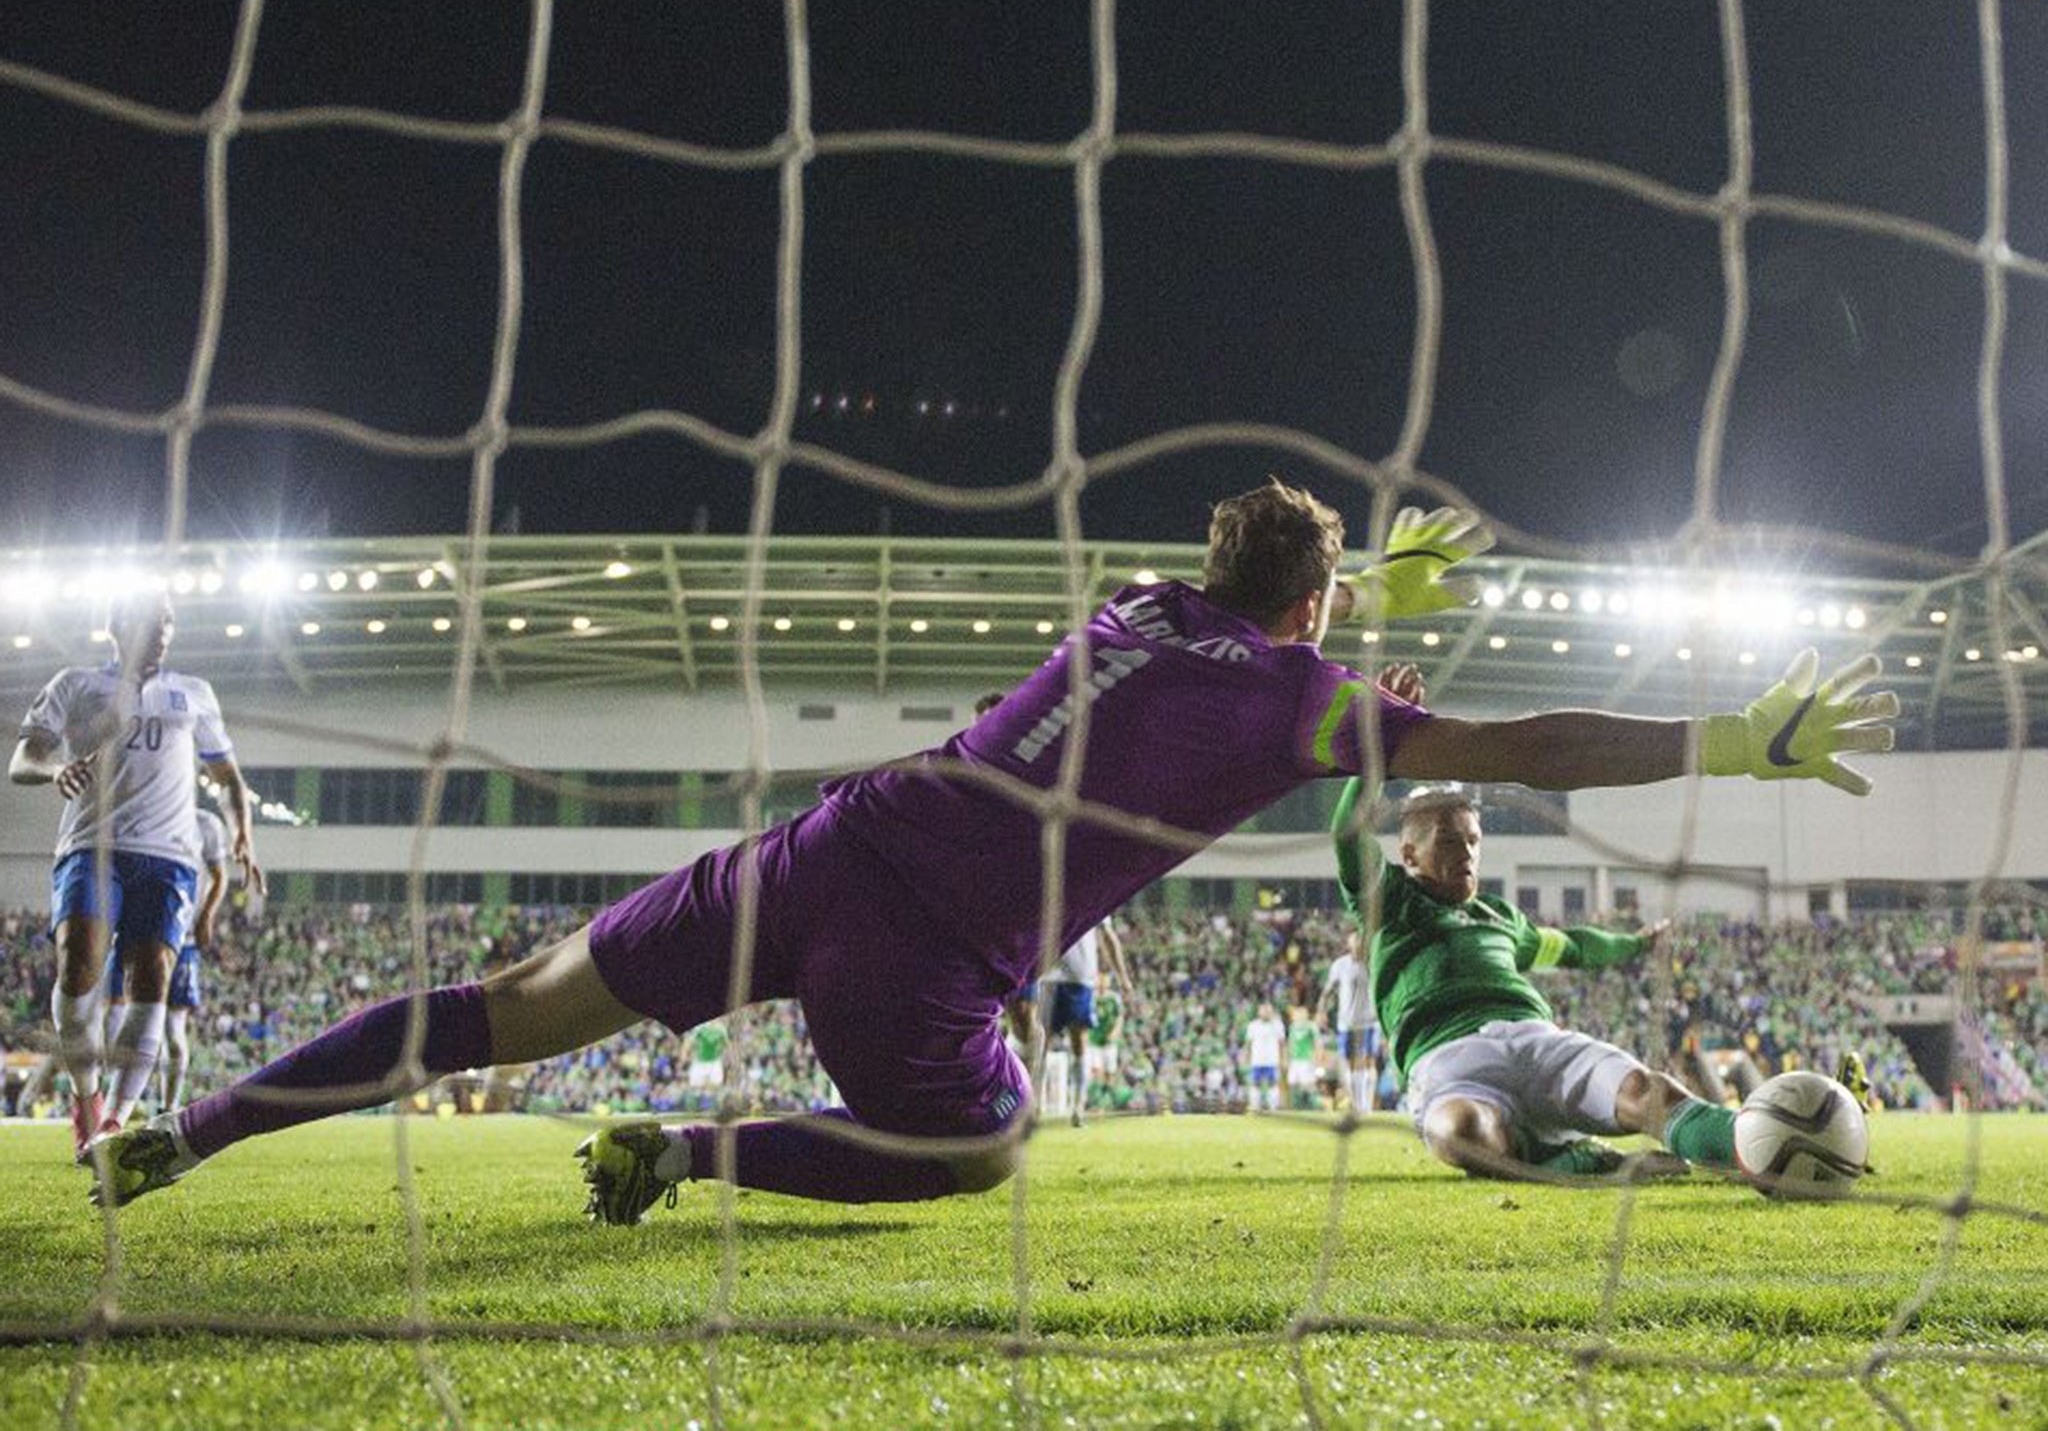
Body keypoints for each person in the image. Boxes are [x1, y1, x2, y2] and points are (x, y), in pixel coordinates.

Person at [89, 485, 1894, 1218]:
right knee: (982, 1145)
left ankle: (199, 1127)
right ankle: (690, 1154)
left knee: (503, 1004)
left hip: (832, 841)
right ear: (1320, 603)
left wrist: (1363, 609)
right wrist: (1735, 735)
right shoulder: (1291, 704)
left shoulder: (1129, 605)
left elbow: (1244, 621)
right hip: (932, 940)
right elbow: (1524, 744)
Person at [1331, 659, 1886, 1179]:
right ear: (1408, 854)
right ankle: (1574, 1161)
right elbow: (1347, 833)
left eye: (1473, 840)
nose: (1468, 854)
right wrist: (1377, 745)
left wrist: (1634, 946)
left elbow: (1574, 946)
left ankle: (1764, 1142)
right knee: (1462, 1132)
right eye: (1450, 841)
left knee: (1651, 1093)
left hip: (1539, 1040)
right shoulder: (1391, 905)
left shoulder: (1499, 920)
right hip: (1451, 1063)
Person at [9, 592, 262, 1154]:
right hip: (92, 846)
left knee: (152, 983)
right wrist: (54, 771)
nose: (163, 630)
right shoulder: (75, 685)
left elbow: (226, 775)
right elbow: (23, 760)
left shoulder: (194, 694)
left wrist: (241, 829)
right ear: (116, 626)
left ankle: (114, 1123)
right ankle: (86, 1095)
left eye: (169, 620)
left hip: (169, 857)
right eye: (151, 620)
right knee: (79, 969)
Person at [101, 798, 229, 1116]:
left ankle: (168, 1107)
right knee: (131, 1022)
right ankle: (127, 1102)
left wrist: (206, 916)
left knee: (173, 1029)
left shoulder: (206, 824)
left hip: (182, 941)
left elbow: (219, 876)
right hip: (140, 934)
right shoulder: (146, 814)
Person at [1038, 919, 1134, 1127]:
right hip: (1046, 974)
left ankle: (1077, 1108)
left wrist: (1123, 977)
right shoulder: (1043, 886)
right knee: (1040, 1043)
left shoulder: (1093, 890)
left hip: (1079, 976)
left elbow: (1107, 935)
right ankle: (1033, 1105)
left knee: (1078, 1043)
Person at [1316, 930, 1382, 1112]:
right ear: (1349, 944)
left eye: (1361, 942)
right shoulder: (1340, 965)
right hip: (1346, 1022)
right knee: (1350, 1063)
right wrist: (1321, 1010)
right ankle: (1357, 1104)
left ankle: (1367, 1106)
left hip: (1369, 1021)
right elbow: (1328, 990)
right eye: (1355, 942)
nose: (1358, 946)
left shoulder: (1373, 963)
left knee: (1369, 1061)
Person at [1243, 1000, 1285, 1111]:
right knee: (1255, 1083)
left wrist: (1283, 1058)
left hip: (1272, 1060)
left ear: (1272, 1012)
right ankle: (1255, 1106)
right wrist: (1246, 1056)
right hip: (1257, 1060)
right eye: (1263, 1010)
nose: (1266, 1013)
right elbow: (1248, 1043)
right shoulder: (1253, 1025)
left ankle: (1273, 1107)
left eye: (1268, 1011)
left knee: (1273, 1083)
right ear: (1259, 1012)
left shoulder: (1278, 1025)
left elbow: (1282, 1044)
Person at [1284, 1004, 1322, 1110]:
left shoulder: (1311, 1026)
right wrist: (1287, 1057)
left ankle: (1312, 1106)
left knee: (1308, 1084)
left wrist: (1318, 1057)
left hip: (1307, 1059)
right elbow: (1290, 1043)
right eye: (1298, 1013)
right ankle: (1296, 1106)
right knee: (1292, 1082)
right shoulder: (1293, 1026)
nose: (1300, 1015)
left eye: (1302, 1013)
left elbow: (1318, 1042)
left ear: (1306, 1014)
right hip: (1295, 1060)